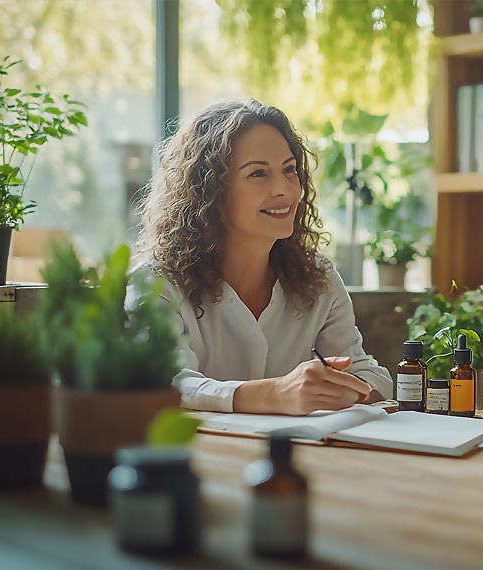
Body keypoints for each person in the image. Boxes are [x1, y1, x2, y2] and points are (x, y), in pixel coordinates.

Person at [138, 100, 392, 414]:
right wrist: (275, 394)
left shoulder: (319, 277)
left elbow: (366, 373)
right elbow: (166, 383)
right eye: (258, 173)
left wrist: (341, 389)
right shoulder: (155, 283)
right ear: (210, 191)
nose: (284, 189)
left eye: (289, 170)